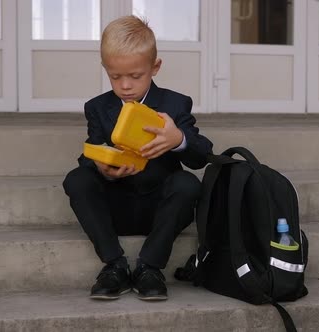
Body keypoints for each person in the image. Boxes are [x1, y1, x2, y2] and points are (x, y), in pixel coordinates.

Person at [63, 15, 213, 301]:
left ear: (154, 67)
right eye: (115, 76)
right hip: (115, 207)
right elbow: (91, 152)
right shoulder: (97, 108)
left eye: (135, 76)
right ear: (106, 69)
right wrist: (101, 166)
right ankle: (114, 266)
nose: (126, 86)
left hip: (160, 209)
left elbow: (202, 154)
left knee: (188, 183)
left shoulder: (175, 104)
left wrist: (178, 139)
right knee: (77, 179)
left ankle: (150, 267)